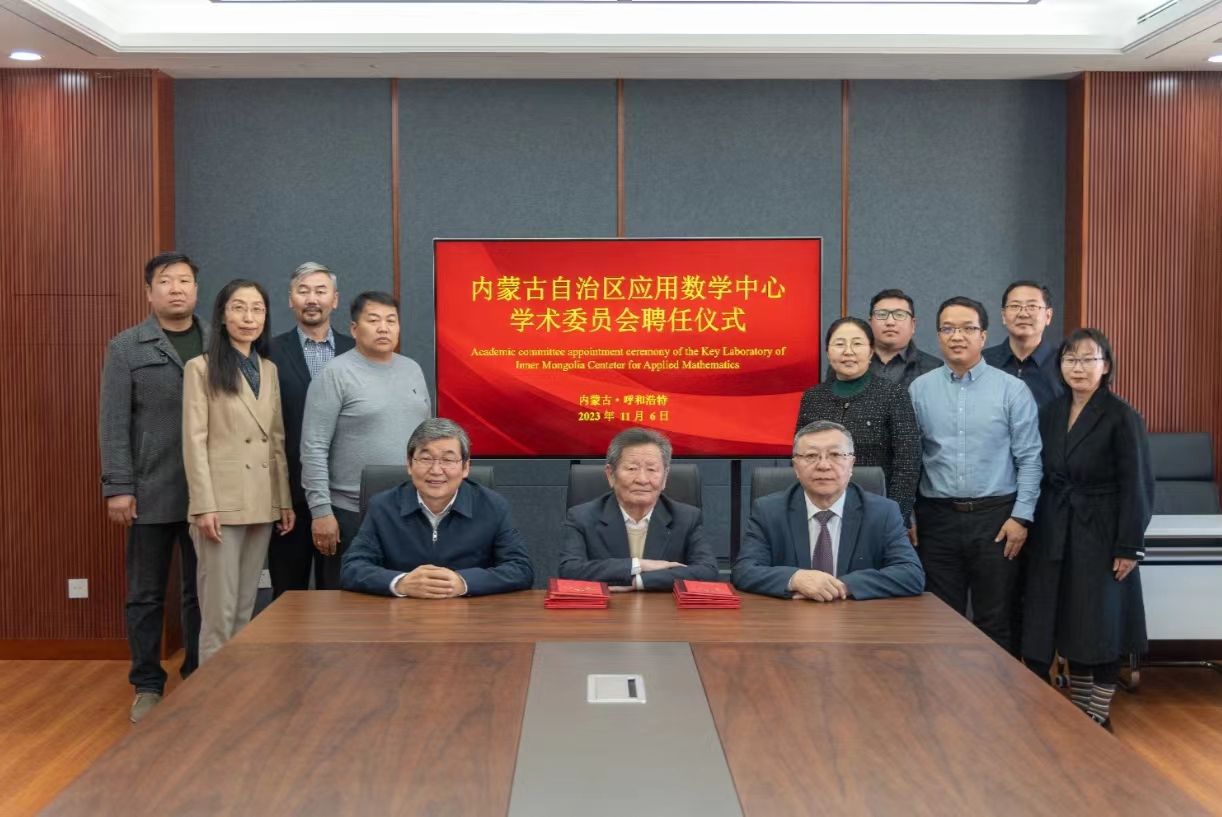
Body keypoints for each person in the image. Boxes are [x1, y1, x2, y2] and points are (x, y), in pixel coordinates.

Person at [1022, 329, 1153, 731]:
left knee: (1100, 624)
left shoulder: (1122, 415)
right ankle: (1080, 712)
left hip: (1102, 532)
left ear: (1105, 365)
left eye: (1087, 359)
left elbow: (1138, 486)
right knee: (1070, 620)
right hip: (1055, 528)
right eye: (1070, 359)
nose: (1077, 367)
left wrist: (1129, 546)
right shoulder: (1051, 411)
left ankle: (1098, 712)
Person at [99, 251, 205, 723]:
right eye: (166, 281)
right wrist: (118, 486)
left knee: (201, 592)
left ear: (196, 289)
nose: (176, 288)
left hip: (208, 494)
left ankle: (200, 674)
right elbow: (113, 423)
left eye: (184, 280)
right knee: (145, 594)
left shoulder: (219, 339)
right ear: (149, 292)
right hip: (150, 489)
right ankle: (146, 684)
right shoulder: (126, 346)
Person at [909, 296, 1041, 653]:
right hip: (937, 519)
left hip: (997, 520)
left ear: (983, 335)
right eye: (948, 329)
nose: (957, 336)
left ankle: (996, 690)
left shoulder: (1012, 389)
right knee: (939, 618)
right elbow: (910, 458)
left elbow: (1030, 459)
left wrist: (1021, 517)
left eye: (968, 328)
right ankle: (943, 689)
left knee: (996, 619)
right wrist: (908, 513)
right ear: (938, 336)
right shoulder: (920, 389)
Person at [183, 280, 294, 665]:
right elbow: (194, 441)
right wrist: (203, 505)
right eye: (239, 308)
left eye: (257, 309)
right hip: (221, 505)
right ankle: (211, 696)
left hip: (261, 502)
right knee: (220, 611)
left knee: (246, 608)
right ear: (222, 315)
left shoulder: (268, 369)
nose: (249, 318)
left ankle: (237, 689)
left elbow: (275, 439)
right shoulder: (200, 368)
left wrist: (282, 501)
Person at [301, 291, 431, 589]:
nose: (383, 328)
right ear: (354, 329)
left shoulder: (412, 369)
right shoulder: (335, 374)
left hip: (409, 509)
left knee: (407, 595)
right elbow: (313, 448)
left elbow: (427, 439)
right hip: (351, 512)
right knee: (347, 600)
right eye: (373, 320)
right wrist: (321, 512)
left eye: (391, 320)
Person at [341, 418, 534, 597]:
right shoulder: (383, 506)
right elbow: (352, 568)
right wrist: (401, 583)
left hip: (471, 615)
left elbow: (520, 569)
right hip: (401, 614)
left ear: (465, 467)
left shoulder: (492, 506)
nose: (435, 470)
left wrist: (464, 582)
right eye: (426, 459)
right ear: (409, 464)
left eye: (448, 460)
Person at [732, 421, 924, 600]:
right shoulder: (769, 511)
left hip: (860, 619)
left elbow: (912, 575)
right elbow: (744, 571)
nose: (823, 465)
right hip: (790, 618)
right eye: (811, 456)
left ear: (851, 464)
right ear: (796, 467)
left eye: (835, 455)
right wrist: (796, 579)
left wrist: (842, 586)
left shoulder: (883, 512)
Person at [267, 262, 355, 598]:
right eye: (303, 291)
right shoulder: (269, 352)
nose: (312, 299)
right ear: (291, 299)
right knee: (288, 594)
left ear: (335, 299)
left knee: (341, 594)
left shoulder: (356, 351)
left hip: (344, 495)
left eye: (320, 291)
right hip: (290, 495)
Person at [797, 316, 921, 532]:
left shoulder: (892, 395)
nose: (848, 351)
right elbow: (800, 457)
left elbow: (907, 464)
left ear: (871, 352)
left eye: (857, 343)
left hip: (876, 512)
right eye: (839, 344)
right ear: (828, 352)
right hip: (821, 510)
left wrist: (895, 518)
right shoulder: (813, 398)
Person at [558, 428, 719, 590]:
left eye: (652, 469)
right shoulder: (582, 517)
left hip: (664, 606)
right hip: (606, 606)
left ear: (665, 476)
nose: (642, 479)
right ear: (610, 474)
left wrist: (638, 581)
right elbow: (570, 571)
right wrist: (638, 565)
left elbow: (708, 572)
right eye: (632, 469)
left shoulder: (687, 518)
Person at [982, 280, 1065, 409]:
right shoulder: (982, 362)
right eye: (1015, 306)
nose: (1023, 314)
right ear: (1003, 315)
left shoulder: (1063, 364)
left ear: (1048, 316)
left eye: (1032, 306)